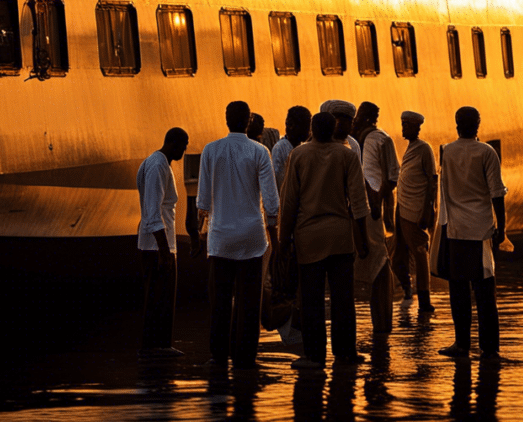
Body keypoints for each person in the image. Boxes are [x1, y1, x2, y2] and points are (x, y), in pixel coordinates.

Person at [279, 112, 370, 369]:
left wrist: (283, 242)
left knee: (311, 300)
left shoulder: (298, 155)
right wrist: (362, 240)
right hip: (341, 238)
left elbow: (289, 203)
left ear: (311, 129)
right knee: (343, 299)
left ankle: (314, 355)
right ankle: (346, 352)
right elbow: (358, 203)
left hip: (309, 238)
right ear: (334, 130)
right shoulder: (348, 155)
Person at [197, 101, 279, 369]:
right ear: (248, 122)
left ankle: (218, 356)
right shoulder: (260, 151)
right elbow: (272, 201)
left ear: (226, 119)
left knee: (220, 300)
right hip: (252, 238)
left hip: (220, 238)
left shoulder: (211, 150)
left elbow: (203, 202)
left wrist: (201, 231)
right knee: (249, 301)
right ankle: (245, 357)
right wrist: (274, 233)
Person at [435, 107, 507, 360]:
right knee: (486, 292)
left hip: (455, 230)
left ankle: (462, 345)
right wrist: (502, 228)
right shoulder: (487, 152)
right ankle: (489, 348)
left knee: (459, 291)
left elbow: (444, 192)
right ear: (478, 124)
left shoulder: (447, 151)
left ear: (456, 124)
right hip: (481, 230)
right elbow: (497, 192)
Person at [136, 127, 189, 357]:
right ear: (174, 143)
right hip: (157, 244)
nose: (185, 150)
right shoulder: (158, 165)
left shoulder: (158, 163)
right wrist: (164, 251)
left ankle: (157, 345)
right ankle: (156, 346)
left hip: (156, 243)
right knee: (160, 296)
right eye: (184, 145)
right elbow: (152, 210)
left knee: (158, 296)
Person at [350, 101, 399, 335]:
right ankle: (379, 323)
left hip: (371, 209)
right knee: (371, 261)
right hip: (364, 207)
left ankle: (382, 323)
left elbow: (383, 178)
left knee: (378, 261)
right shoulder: (365, 138)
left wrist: (377, 202)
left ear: (369, 118)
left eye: (362, 115)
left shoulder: (375, 140)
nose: (357, 119)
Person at [391, 110, 438, 313]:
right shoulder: (411, 148)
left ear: (417, 128)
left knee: (420, 253)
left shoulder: (424, 149)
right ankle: (408, 289)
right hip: (402, 208)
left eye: (408, 125)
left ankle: (425, 300)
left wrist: (427, 211)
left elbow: (432, 180)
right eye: (403, 125)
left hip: (416, 210)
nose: (404, 129)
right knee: (397, 256)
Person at [271, 106, 312, 190]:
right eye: (306, 126)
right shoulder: (280, 148)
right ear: (291, 125)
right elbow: (279, 183)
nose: (309, 131)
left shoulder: (301, 148)